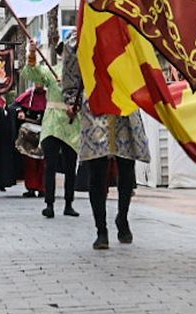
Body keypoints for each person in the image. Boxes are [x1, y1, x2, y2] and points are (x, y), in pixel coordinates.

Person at [59, 33, 147, 249]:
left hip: (124, 101)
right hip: (95, 104)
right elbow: (71, 75)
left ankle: (122, 217)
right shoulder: (77, 37)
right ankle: (101, 230)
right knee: (97, 169)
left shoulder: (126, 28)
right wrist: (71, 99)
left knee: (127, 166)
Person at [22, 41, 77, 220]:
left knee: (70, 166)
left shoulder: (81, 74)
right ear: (61, 53)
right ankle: (49, 204)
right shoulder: (51, 71)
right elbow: (31, 73)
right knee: (50, 165)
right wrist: (32, 53)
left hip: (72, 122)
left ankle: (69, 203)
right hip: (53, 121)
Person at [12, 54, 48, 199]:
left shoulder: (50, 95)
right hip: (29, 136)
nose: (39, 84)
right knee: (30, 162)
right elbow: (14, 106)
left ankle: (43, 188)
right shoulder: (27, 95)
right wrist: (20, 111)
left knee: (44, 162)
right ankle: (31, 188)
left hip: (45, 132)